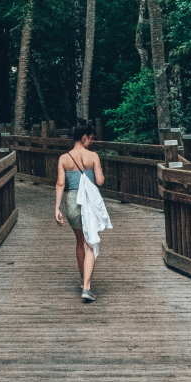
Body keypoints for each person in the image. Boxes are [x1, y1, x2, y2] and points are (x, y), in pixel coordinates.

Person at [55, 123, 105, 302]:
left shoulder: (64, 158)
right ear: (84, 137)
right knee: (90, 243)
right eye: (90, 138)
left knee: (79, 242)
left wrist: (57, 208)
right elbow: (99, 181)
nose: (91, 141)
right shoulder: (93, 156)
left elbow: (60, 184)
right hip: (89, 202)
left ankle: (83, 279)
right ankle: (87, 287)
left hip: (72, 202)